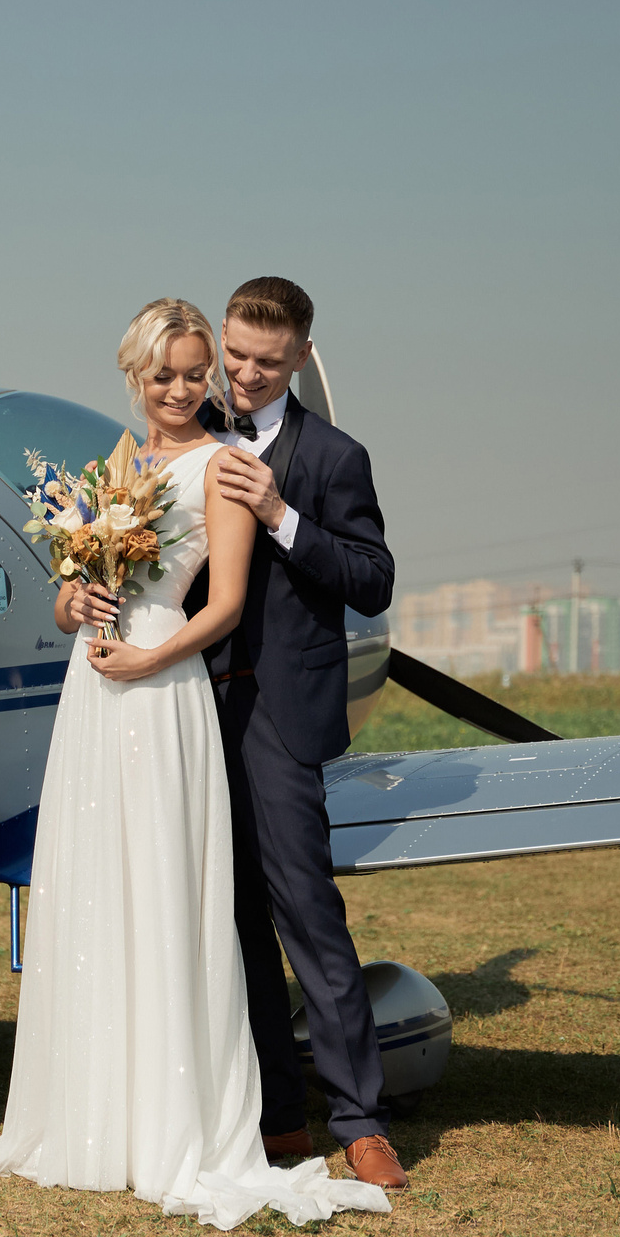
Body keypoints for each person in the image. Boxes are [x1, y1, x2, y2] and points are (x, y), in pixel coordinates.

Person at [0, 299, 390, 1229]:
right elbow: (75, 589)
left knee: (222, 894)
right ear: (134, 374)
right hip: (98, 693)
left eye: (200, 370)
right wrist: (74, 601)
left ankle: (330, 1115)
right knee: (109, 887)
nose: (190, 386)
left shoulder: (240, 464)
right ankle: (116, 1112)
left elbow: (238, 601)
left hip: (183, 687)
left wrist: (156, 655)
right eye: (168, 373)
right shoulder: (116, 465)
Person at [188, 277, 406, 1189]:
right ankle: (275, 1116)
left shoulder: (334, 456)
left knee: (306, 915)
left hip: (281, 714)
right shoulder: (180, 429)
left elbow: (373, 577)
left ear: (301, 360)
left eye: (266, 363)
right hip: (188, 708)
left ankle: (359, 1119)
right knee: (228, 920)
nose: (242, 374)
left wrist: (281, 514)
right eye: (234, 353)